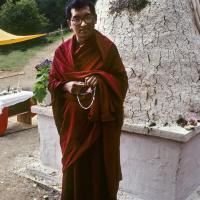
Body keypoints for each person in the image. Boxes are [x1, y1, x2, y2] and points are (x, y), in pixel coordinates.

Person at [48, 0, 128, 199]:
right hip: (73, 126)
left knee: (100, 170)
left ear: (95, 19)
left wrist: (101, 79)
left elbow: (121, 81)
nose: (82, 24)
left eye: (87, 17)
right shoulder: (61, 52)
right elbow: (52, 82)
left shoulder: (107, 49)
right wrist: (67, 85)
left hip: (100, 125)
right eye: (77, 19)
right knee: (75, 169)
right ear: (69, 23)